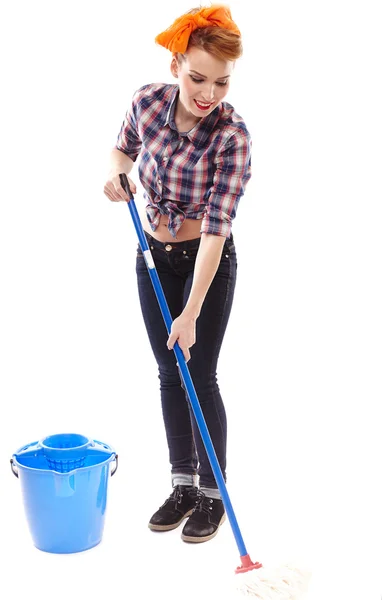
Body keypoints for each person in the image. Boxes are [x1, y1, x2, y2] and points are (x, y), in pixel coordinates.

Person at [103, 4, 252, 543]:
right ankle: (183, 484)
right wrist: (115, 179)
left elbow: (215, 231)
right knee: (169, 373)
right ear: (175, 65)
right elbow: (122, 151)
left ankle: (213, 495)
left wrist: (190, 312)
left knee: (198, 373)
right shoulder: (147, 102)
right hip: (153, 255)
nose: (208, 93)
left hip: (205, 263)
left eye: (221, 82)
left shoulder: (232, 137)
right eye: (197, 77)